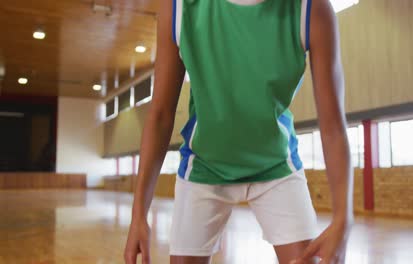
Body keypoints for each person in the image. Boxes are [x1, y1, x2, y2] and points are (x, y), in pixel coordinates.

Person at [124, 0, 353, 263]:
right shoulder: (178, 8)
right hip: (204, 167)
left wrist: (343, 217)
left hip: (276, 165)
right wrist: (138, 214)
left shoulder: (311, 9)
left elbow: (333, 127)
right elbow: (161, 115)